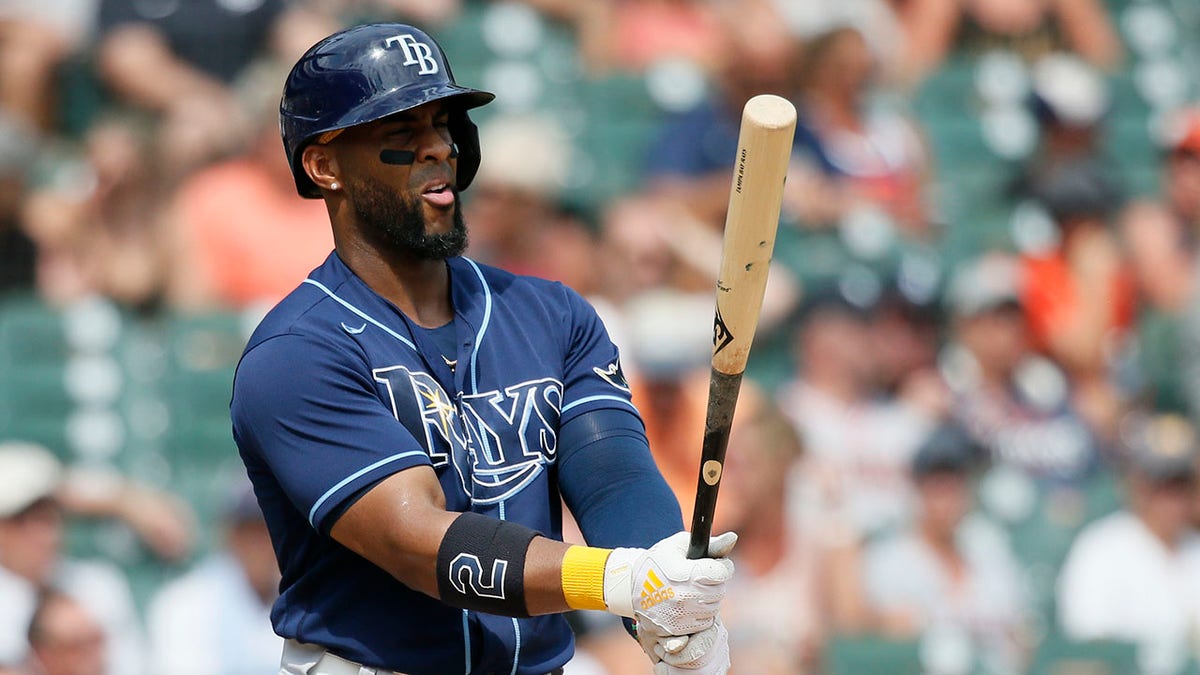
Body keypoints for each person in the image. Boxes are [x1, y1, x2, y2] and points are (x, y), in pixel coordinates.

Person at [230, 23, 736, 675]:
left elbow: (613, 476)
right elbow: (416, 542)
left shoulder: (553, 313)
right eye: (400, 135)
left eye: (442, 123)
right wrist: (622, 579)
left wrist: (673, 598)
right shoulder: (295, 354)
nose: (437, 146)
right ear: (324, 165)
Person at [861, 422, 1031, 673]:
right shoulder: (889, 561)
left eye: (956, 485)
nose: (948, 499)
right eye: (938, 486)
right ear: (918, 490)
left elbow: (1021, 639)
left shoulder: (990, 555)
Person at [1056, 413, 1200, 674]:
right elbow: (1086, 653)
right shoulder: (1102, 548)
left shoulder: (1194, 549)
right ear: (1139, 485)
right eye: (1162, 485)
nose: (1173, 499)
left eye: (1181, 485)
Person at [145, 481, 282, 675]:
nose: (266, 542)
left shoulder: (304, 600)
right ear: (230, 534)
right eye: (254, 531)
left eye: (273, 529)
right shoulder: (185, 603)